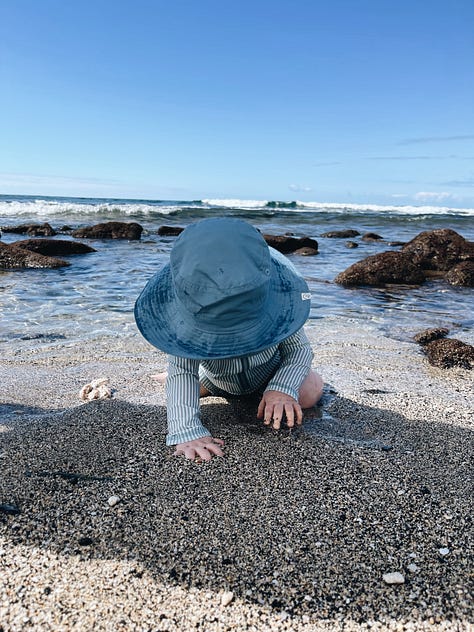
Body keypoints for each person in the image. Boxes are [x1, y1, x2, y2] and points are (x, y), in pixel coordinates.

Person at [134, 217, 323, 461]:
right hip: (216, 379)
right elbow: (183, 369)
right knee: (183, 376)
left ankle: (273, 391)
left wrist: (281, 389)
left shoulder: (281, 305)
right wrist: (187, 431)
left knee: (310, 394)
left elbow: (299, 351)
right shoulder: (184, 323)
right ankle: (188, 379)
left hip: (269, 373)